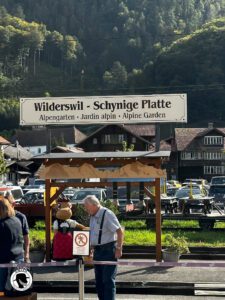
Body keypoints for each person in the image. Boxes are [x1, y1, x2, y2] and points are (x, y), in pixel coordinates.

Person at [84, 195, 124, 300]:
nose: (85, 209)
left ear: (94, 205)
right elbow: (94, 234)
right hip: (98, 251)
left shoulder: (107, 214)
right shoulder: (92, 216)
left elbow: (119, 231)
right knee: (99, 281)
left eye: (86, 207)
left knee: (108, 280)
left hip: (108, 250)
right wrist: (91, 248)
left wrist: (119, 248)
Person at [0, 198, 24, 291]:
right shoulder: (17, 220)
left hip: (4, 261)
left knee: (2, 290)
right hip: (18, 258)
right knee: (14, 289)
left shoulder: (1, 224)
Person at [5, 193, 30, 262]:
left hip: (18, 256)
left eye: (6, 205)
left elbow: (26, 237)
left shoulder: (21, 217)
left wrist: (27, 254)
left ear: (13, 204)